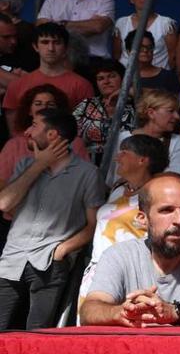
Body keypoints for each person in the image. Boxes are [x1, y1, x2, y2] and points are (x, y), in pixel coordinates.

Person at [80, 173, 180, 327]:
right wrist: (123, 312)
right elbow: (89, 310)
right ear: (143, 219)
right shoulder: (118, 255)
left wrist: (175, 312)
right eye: (167, 210)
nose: (179, 220)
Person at [0, 109, 103, 329]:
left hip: (49, 260)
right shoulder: (25, 166)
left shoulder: (87, 173)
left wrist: (62, 250)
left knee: (38, 333)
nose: (27, 131)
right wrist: (38, 165)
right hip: (12, 258)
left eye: (34, 125)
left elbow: (94, 224)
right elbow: (4, 204)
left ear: (52, 135)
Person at [77, 134, 169, 306]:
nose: (117, 157)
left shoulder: (159, 193)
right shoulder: (119, 188)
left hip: (132, 273)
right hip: (98, 272)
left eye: (124, 152)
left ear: (143, 160)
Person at [2, 22, 93, 134]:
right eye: (45, 42)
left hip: (65, 148)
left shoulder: (82, 85)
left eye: (57, 43)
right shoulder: (17, 85)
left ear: (66, 48)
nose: (51, 48)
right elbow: (15, 131)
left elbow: (85, 129)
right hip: (25, 148)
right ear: (35, 46)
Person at [112, 89, 180, 181]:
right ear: (151, 113)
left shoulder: (176, 141)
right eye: (171, 111)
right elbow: (117, 175)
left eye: (177, 111)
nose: (177, 116)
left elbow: (176, 177)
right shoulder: (124, 138)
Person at [72, 58, 135, 162]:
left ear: (123, 78)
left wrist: (128, 91)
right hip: (91, 162)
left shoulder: (135, 103)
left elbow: (154, 97)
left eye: (111, 76)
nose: (106, 82)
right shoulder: (87, 105)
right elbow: (69, 132)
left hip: (128, 160)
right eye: (100, 78)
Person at [112, 0, 177, 71]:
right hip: (127, 78)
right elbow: (116, 54)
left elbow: (173, 55)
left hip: (157, 78)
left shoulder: (166, 23)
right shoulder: (121, 23)